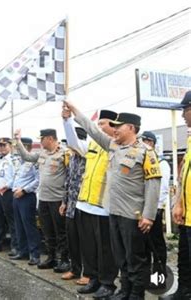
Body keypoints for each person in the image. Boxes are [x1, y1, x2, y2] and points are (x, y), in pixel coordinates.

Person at [64, 101, 161, 300]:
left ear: (131, 128)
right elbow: (92, 130)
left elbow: (153, 185)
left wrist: (149, 216)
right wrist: (74, 110)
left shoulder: (145, 152)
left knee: (135, 259)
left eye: (119, 126)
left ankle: (135, 294)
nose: (114, 130)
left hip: (133, 215)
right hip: (114, 212)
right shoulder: (113, 146)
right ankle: (124, 290)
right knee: (121, 258)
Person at [62, 108, 119, 297]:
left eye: (103, 123)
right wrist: (67, 121)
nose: (99, 126)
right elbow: (73, 143)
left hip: (103, 207)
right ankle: (93, 278)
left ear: (114, 126)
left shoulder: (116, 145)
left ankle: (107, 283)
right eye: (99, 123)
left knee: (105, 250)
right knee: (89, 247)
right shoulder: (92, 145)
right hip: (84, 204)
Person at [15, 128, 70, 273]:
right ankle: (51, 258)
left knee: (61, 232)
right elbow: (26, 156)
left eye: (42, 139)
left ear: (50, 139)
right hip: (44, 199)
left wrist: (66, 200)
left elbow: (71, 176)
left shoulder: (64, 153)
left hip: (58, 199)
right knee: (47, 231)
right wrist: (18, 141)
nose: (40, 141)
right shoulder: (42, 154)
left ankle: (64, 259)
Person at [166, 90, 191, 300]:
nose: (183, 114)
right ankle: (183, 292)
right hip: (187, 215)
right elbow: (184, 176)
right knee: (184, 258)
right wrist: (178, 203)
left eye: (186, 109)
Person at [59, 127, 87, 283]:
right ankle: (75, 269)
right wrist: (64, 202)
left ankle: (88, 273)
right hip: (71, 206)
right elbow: (68, 181)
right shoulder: (72, 158)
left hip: (85, 206)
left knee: (86, 242)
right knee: (72, 240)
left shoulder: (88, 156)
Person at [141, 130, 170, 282]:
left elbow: (162, 189)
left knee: (157, 244)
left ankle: (160, 276)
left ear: (151, 143)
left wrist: (155, 209)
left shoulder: (161, 163)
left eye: (146, 141)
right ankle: (146, 276)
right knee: (144, 246)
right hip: (142, 210)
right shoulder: (142, 160)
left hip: (155, 210)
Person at [9, 137, 41, 266]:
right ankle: (23, 252)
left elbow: (38, 180)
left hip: (27, 196)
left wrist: (24, 190)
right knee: (19, 226)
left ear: (28, 147)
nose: (17, 149)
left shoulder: (34, 161)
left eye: (20, 146)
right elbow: (15, 178)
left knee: (29, 226)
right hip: (16, 196)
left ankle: (35, 255)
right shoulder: (17, 161)